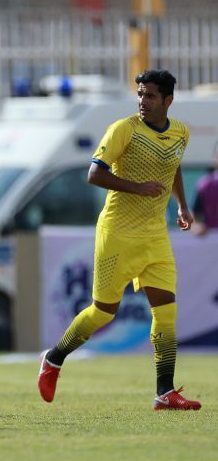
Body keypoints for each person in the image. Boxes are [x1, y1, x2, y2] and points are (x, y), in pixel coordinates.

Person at [38, 70, 201, 411]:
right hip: (117, 233)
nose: (142, 101)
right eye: (140, 94)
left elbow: (173, 165)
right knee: (103, 313)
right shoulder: (124, 129)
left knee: (166, 311)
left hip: (155, 235)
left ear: (168, 100)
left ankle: (164, 392)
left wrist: (182, 205)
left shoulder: (181, 132)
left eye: (150, 96)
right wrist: (137, 187)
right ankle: (54, 358)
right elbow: (94, 174)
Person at [191, 142, 218, 236]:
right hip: (211, 238)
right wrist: (195, 226)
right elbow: (193, 214)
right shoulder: (205, 185)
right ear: (215, 158)